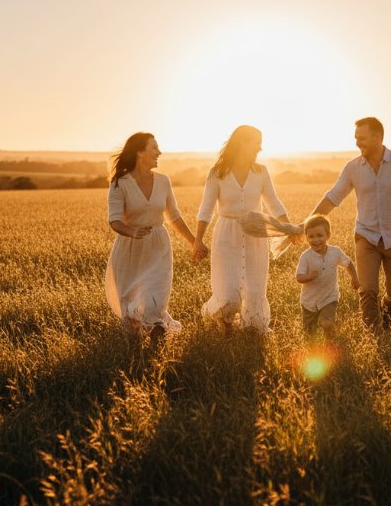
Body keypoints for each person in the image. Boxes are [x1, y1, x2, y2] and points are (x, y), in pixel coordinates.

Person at [311, 117, 391, 331]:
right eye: (356, 138)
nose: (358, 143)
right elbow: (333, 197)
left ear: (378, 137)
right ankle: (373, 335)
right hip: (365, 237)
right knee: (367, 290)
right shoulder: (353, 168)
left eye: (362, 138)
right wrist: (307, 223)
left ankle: (388, 306)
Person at [194, 125, 291, 334]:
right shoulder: (217, 174)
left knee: (255, 290)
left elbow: (274, 204)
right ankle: (224, 322)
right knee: (229, 293)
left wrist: (288, 226)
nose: (260, 148)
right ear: (241, 143)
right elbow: (206, 210)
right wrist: (198, 239)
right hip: (226, 235)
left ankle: (252, 328)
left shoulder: (261, 172)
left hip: (255, 234)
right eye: (256, 142)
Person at [105, 132, 198, 345]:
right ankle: (136, 355)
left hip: (158, 247)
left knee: (154, 301)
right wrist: (132, 231)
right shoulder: (120, 183)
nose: (159, 152)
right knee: (130, 306)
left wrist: (194, 241)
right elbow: (114, 220)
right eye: (153, 148)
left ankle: (157, 338)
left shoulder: (164, 181)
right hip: (130, 249)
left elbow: (174, 217)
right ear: (139, 152)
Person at [295, 215, 359, 340]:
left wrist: (354, 277)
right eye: (311, 236)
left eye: (320, 235)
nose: (316, 240)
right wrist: (309, 277)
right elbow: (299, 277)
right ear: (306, 237)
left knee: (327, 323)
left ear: (328, 235)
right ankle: (312, 350)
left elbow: (348, 263)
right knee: (309, 334)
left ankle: (331, 342)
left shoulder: (335, 252)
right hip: (309, 301)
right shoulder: (306, 257)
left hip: (329, 298)